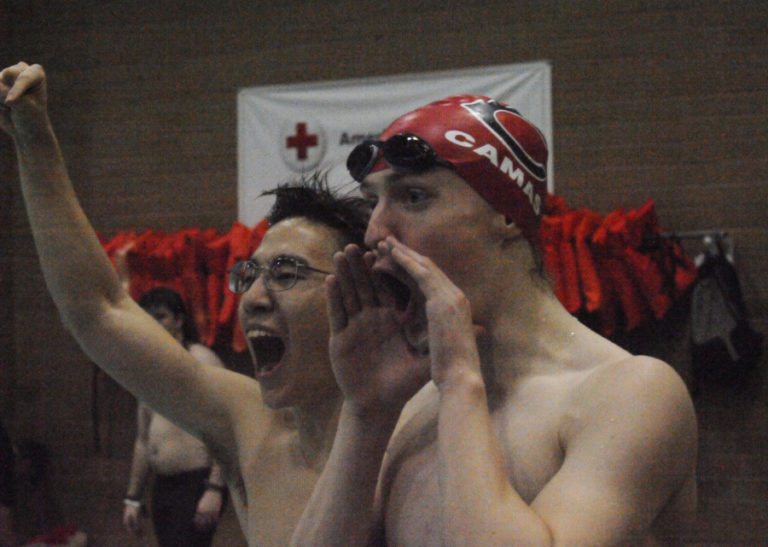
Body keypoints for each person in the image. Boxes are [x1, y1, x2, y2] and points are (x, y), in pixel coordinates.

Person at [291, 96, 698, 545]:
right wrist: (365, 412)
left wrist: (460, 381)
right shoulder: (410, 406)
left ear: (506, 213)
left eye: (413, 197)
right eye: (374, 203)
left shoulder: (629, 395)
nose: (375, 232)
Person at [0, 62, 369, 546]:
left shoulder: (424, 428)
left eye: (286, 274)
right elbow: (98, 309)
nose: (254, 299)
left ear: (358, 289)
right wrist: (35, 143)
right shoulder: (247, 420)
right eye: (250, 274)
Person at [121, 287, 227, 546]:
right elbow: (144, 440)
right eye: (148, 318)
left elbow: (228, 428)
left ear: (179, 320)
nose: (153, 325)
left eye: (161, 317)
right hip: (163, 485)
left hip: (194, 483)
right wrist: (133, 497)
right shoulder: (149, 369)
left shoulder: (201, 361)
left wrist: (215, 489)